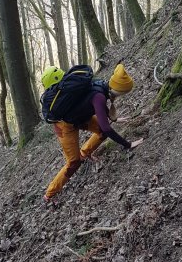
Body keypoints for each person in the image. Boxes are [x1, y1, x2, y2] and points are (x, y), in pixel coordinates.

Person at [42, 63, 144, 202]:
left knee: (101, 132)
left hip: (79, 118)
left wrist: (113, 118)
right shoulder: (100, 95)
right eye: (125, 92)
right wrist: (128, 144)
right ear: (120, 91)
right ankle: (49, 193)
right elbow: (106, 125)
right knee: (74, 163)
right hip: (64, 125)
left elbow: (94, 103)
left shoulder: (100, 85)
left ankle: (85, 153)